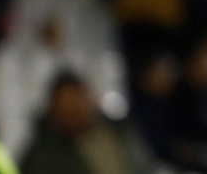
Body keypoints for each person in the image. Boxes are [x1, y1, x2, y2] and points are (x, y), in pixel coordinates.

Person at [19, 72, 152, 174]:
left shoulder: (120, 129)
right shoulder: (44, 155)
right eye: (65, 107)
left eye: (77, 102)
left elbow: (146, 164)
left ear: (90, 98)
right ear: (53, 110)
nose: (73, 111)